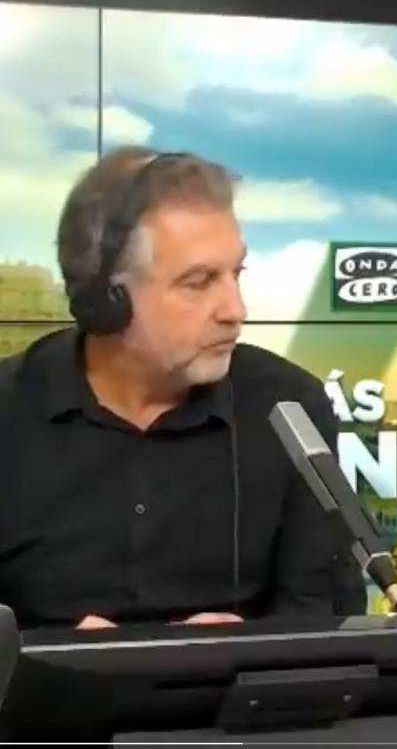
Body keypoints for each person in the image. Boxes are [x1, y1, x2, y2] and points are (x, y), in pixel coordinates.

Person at [0, 147, 366, 629]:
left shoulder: (290, 408)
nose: (235, 310)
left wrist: (249, 649)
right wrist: (47, 658)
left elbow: (326, 617)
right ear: (107, 298)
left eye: (236, 274)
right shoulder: (8, 410)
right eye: (199, 282)